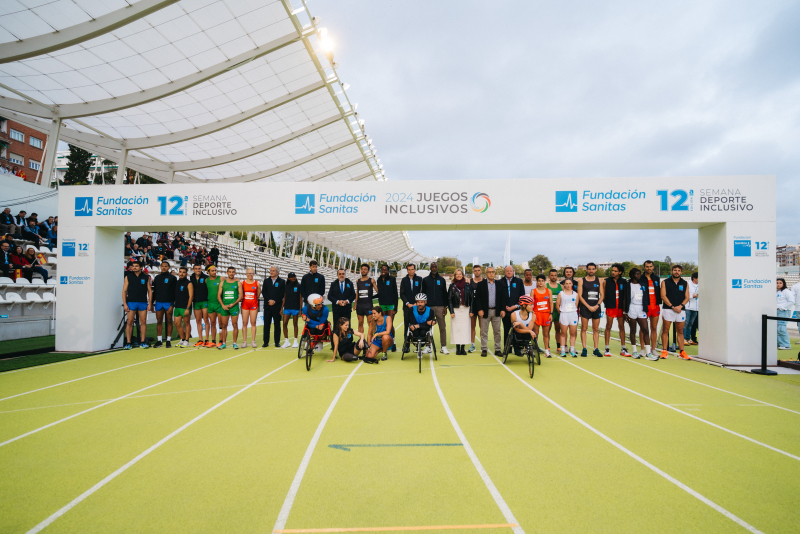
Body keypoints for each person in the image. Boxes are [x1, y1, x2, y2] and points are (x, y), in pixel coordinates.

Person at [623, 268, 658, 361]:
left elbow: (646, 298)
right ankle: (634, 351)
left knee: (645, 330)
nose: (639, 276)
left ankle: (648, 353)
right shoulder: (628, 285)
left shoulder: (643, 285)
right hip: (632, 308)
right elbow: (625, 299)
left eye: (639, 274)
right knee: (633, 330)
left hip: (641, 308)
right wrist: (624, 312)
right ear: (632, 275)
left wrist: (646, 309)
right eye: (637, 274)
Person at [660, 264, 691, 360]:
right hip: (668, 309)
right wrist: (672, 306)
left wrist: (680, 306)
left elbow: (687, 297)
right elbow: (663, 296)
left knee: (680, 331)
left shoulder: (685, 283)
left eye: (678, 270)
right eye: (675, 270)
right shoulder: (665, 282)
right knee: (665, 330)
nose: (676, 272)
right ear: (671, 272)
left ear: (681, 272)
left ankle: (682, 352)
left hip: (680, 310)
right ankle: (664, 351)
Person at [122, 260, 152, 349]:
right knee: (129, 322)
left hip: (142, 302)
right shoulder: (128, 277)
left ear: (141, 267)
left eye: (136, 266)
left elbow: (150, 291)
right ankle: (128, 342)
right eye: (133, 266)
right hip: (131, 302)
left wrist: (150, 303)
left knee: (143, 322)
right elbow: (124, 291)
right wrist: (125, 303)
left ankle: (142, 342)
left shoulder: (146, 277)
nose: (134, 267)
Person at [474, 266, 502, 357]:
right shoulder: (481, 284)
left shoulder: (499, 284)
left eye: (493, 272)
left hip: (496, 311)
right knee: (484, 331)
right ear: (486, 274)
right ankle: (484, 349)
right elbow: (477, 298)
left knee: (497, 331)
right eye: (489, 272)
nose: (491, 273)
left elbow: (503, 297)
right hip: (485, 311)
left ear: (495, 273)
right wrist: (480, 309)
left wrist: (502, 309)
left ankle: (497, 349)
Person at [602, 263, 629, 357]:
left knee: (621, 327)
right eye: (612, 270)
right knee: (608, 326)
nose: (613, 272)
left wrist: (626, 309)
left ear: (620, 272)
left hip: (621, 308)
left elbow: (626, 295)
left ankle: (623, 348)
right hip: (611, 306)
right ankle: (606, 348)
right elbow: (603, 295)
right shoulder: (606, 281)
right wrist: (608, 303)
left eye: (615, 271)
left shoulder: (624, 281)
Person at [423, 262, 450, 354]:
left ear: (437, 268)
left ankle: (443, 346)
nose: (434, 268)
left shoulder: (442, 280)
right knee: (428, 327)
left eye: (435, 267)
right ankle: (428, 346)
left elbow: (445, 294)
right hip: (428, 307)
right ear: (430, 268)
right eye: (432, 267)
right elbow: (423, 293)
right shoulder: (425, 280)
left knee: (442, 327)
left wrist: (445, 306)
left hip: (440, 306)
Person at [577, 263, 604, 357]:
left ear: (595, 270)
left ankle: (596, 349)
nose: (591, 270)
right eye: (589, 269)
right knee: (584, 328)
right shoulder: (581, 280)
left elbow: (602, 295)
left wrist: (597, 305)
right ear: (586, 270)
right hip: (585, 307)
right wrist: (588, 306)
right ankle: (584, 348)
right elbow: (579, 296)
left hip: (596, 307)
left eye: (593, 269)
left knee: (596, 329)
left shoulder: (599, 280)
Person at [497, 265, 524, 350]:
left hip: (516, 311)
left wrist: (515, 306)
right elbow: (498, 297)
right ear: (504, 272)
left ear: (513, 272)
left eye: (510, 271)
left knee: (517, 330)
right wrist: (503, 307)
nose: (509, 272)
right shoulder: (500, 282)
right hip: (505, 311)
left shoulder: (519, 281)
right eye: (507, 271)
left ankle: (517, 349)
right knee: (507, 330)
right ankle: (507, 348)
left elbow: (522, 296)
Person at [447, 267, 473, 355]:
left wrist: (471, 310)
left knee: (465, 329)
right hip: (456, 309)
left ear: (463, 275)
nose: (458, 275)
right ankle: (458, 348)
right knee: (456, 329)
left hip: (466, 309)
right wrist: (451, 311)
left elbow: (471, 299)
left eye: (460, 274)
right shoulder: (452, 286)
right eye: (457, 274)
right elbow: (449, 299)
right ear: (454, 276)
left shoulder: (467, 286)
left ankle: (463, 348)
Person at [152, 261, 177, 347]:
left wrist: (172, 304)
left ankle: (168, 340)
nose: (164, 268)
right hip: (158, 302)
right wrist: (151, 303)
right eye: (162, 266)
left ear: (168, 268)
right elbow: (154, 291)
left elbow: (174, 292)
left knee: (169, 321)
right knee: (159, 321)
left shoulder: (172, 278)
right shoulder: (157, 278)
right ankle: (159, 340)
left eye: (165, 266)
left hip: (168, 303)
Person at [217, 266, 242, 349]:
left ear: (235, 273)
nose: (231, 273)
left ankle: (234, 343)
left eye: (233, 272)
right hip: (224, 307)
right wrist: (223, 305)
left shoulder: (238, 283)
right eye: (230, 272)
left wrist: (233, 304)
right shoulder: (222, 283)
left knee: (235, 324)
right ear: (227, 273)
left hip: (234, 307)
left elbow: (241, 296)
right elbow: (218, 296)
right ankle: (224, 343)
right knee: (224, 325)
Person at [328, 268, 355, 341]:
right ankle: (335, 343)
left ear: (345, 274)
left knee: (347, 326)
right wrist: (337, 301)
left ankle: (348, 342)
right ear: (337, 275)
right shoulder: (333, 284)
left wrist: (347, 301)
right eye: (340, 274)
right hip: (337, 310)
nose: (341, 275)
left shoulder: (350, 283)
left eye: (343, 274)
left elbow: (353, 295)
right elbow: (329, 296)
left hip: (346, 309)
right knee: (336, 326)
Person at [641, 261, 662, 354]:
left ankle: (653, 349)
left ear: (653, 267)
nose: (649, 268)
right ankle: (642, 349)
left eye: (650, 266)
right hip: (644, 306)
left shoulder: (656, 278)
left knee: (654, 328)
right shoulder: (640, 278)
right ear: (644, 267)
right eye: (647, 266)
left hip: (655, 307)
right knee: (643, 329)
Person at [376, 264, 398, 351]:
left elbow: (395, 293)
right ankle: (384, 342)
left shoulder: (392, 279)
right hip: (382, 304)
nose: (383, 271)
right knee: (384, 324)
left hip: (391, 304)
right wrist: (370, 296)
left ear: (388, 271)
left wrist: (395, 307)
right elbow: (379, 294)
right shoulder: (379, 280)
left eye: (385, 270)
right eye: (382, 270)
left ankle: (393, 342)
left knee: (390, 324)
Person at [400, 263, 423, 344]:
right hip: (407, 307)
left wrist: (418, 303)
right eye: (409, 269)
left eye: (412, 269)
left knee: (417, 324)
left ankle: (417, 343)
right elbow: (402, 294)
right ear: (407, 270)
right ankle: (406, 344)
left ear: (415, 270)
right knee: (407, 326)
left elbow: (421, 292)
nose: (411, 271)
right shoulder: (404, 280)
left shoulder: (420, 279)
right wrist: (408, 303)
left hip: (418, 307)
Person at [262, 266, 285, 348]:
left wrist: (274, 301)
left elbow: (282, 294)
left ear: (277, 272)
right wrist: (269, 300)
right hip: (267, 306)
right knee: (266, 325)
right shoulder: (266, 281)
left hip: (277, 306)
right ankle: (265, 342)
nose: (271, 272)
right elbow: (264, 292)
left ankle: (277, 342)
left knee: (277, 325)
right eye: (271, 270)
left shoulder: (282, 281)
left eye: (273, 271)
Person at [532, 274, 553, 357]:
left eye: (542, 281)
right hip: (537, 314)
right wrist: (532, 314)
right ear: (537, 282)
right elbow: (531, 304)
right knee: (535, 333)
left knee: (546, 333)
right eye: (539, 281)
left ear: (545, 281)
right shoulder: (533, 291)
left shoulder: (549, 291)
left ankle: (547, 350)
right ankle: (535, 348)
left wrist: (551, 313)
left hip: (546, 314)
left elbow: (551, 303)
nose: (541, 282)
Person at [556, 278, 579, 357]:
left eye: (570, 283)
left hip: (573, 315)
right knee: (563, 333)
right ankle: (563, 350)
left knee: (572, 333)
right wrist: (562, 312)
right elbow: (557, 305)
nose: (568, 285)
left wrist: (571, 311)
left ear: (572, 284)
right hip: (564, 315)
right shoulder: (561, 294)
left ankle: (572, 350)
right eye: (567, 283)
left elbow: (576, 305)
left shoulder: (576, 294)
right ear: (564, 285)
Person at [172, 266, 194, 347]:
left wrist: (188, 308)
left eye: (183, 272)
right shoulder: (177, 282)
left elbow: (191, 296)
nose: (181, 273)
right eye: (180, 272)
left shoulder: (189, 283)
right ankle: (182, 339)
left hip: (185, 307)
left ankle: (187, 340)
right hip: (177, 306)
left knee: (186, 323)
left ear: (186, 273)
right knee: (177, 323)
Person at [354, 263, 378, 335]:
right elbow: (357, 293)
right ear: (360, 271)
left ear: (368, 271)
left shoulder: (371, 280)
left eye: (365, 269)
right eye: (362, 269)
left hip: (368, 305)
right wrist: (355, 304)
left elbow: (378, 291)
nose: (363, 270)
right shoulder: (358, 281)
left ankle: (371, 340)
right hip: (360, 305)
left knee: (370, 323)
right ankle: (362, 340)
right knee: (360, 323)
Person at [190, 264, 210, 347]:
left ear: (201, 269)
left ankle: (207, 339)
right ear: (193, 269)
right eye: (196, 268)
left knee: (205, 319)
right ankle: (201, 339)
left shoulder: (205, 277)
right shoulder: (191, 278)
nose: (198, 270)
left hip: (204, 301)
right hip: (196, 302)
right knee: (198, 320)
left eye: (199, 268)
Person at [241, 267, 260, 348]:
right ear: (246, 274)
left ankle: (253, 341)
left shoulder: (257, 283)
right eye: (248, 273)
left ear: (254, 274)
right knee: (244, 323)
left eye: (251, 273)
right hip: (245, 304)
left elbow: (258, 294)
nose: (250, 275)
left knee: (253, 323)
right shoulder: (243, 283)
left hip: (253, 304)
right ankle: (244, 341)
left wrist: (254, 300)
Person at [283, 272, 302, 348]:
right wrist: (282, 307)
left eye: (294, 276)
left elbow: (300, 298)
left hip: (296, 307)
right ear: (288, 278)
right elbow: (284, 297)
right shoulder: (286, 286)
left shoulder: (299, 286)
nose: (293, 278)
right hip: (287, 307)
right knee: (284, 323)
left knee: (295, 324)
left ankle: (295, 341)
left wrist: (300, 309)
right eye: (291, 277)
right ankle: (286, 341)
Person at [205, 265, 223, 347]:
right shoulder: (206, 280)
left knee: (221, 323)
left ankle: (221, 341)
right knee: (212, 323)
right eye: (212, 271)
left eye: (215, 270)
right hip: (210, 303)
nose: (214, 272)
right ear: (208, 272)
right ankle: (213, 341)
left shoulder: (221, 278)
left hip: (219, 304)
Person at [468, 265, 484, 353]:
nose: (477, 272)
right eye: (475, 270)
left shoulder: (484, 281)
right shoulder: (470, 281)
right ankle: (472, 345)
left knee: (482, 327)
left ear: (481, 271)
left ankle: (483, 345)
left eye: (478, 270)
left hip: (481, 307)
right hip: (473, 306)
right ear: (473, 272)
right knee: (472, 326)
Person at [546, 269, 563, 353]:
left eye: (555, 275)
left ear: (557, 276)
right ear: (549, 276)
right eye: (552, 275)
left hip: (558, 312)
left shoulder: (561, 286)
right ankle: (547, 346)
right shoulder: (546, 286)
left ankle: (558, 347)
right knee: (547, 330)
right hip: (549, 312)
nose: (553, 277)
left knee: (558, 329)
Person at [777, 278, 794, 350]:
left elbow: (791, 301)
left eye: (780, 283)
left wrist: (782, 308)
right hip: (777, 312)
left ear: (783, 284)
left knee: (781, 328)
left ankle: (786, 345)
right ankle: (779, 343)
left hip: (784, 311)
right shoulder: (776, 292)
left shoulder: (786, 291)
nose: (778, 284)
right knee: (777, 328)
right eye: (777, 282)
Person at [683, 273, 699, 345]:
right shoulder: (687, 284)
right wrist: (693, 295)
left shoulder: (700, 285)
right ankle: (683, 339)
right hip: (688, 307)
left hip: (696, 308)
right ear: (694, 278)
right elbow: (685, 295)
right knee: (686, 323)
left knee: (691, 324)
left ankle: (688, 338)